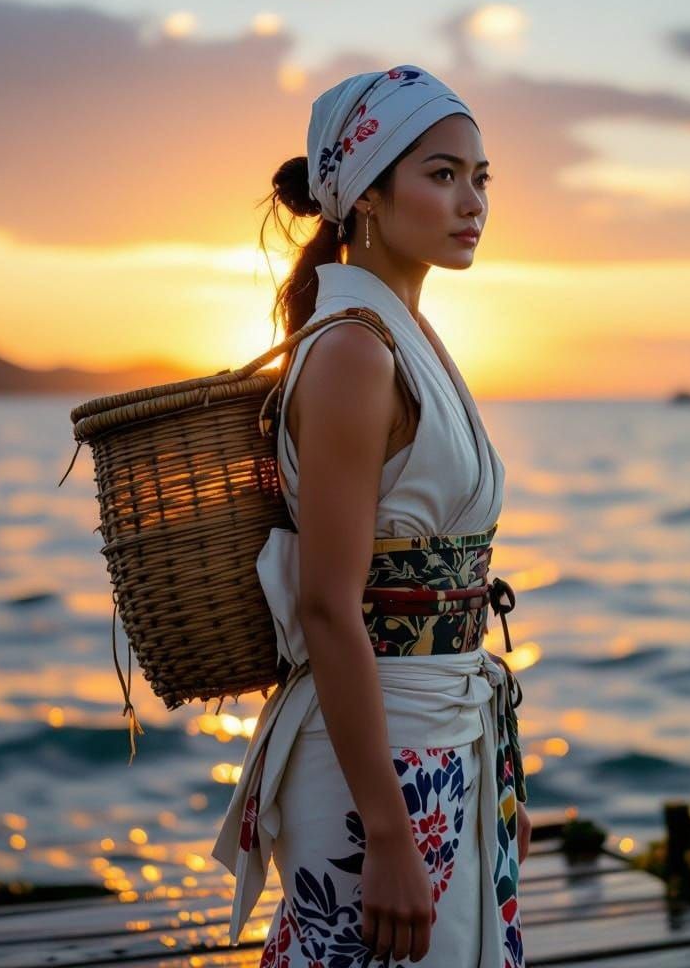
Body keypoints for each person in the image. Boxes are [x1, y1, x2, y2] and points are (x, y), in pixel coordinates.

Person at [212, 64, 530, 968]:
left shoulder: (401, 337)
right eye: (440, 174)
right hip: (378, 762)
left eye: (480, 177)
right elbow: (326, 606)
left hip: (439, 736)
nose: (471, 201)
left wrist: (493, 787)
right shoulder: (354, 351)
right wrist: (389, 834)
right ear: (367, 199)